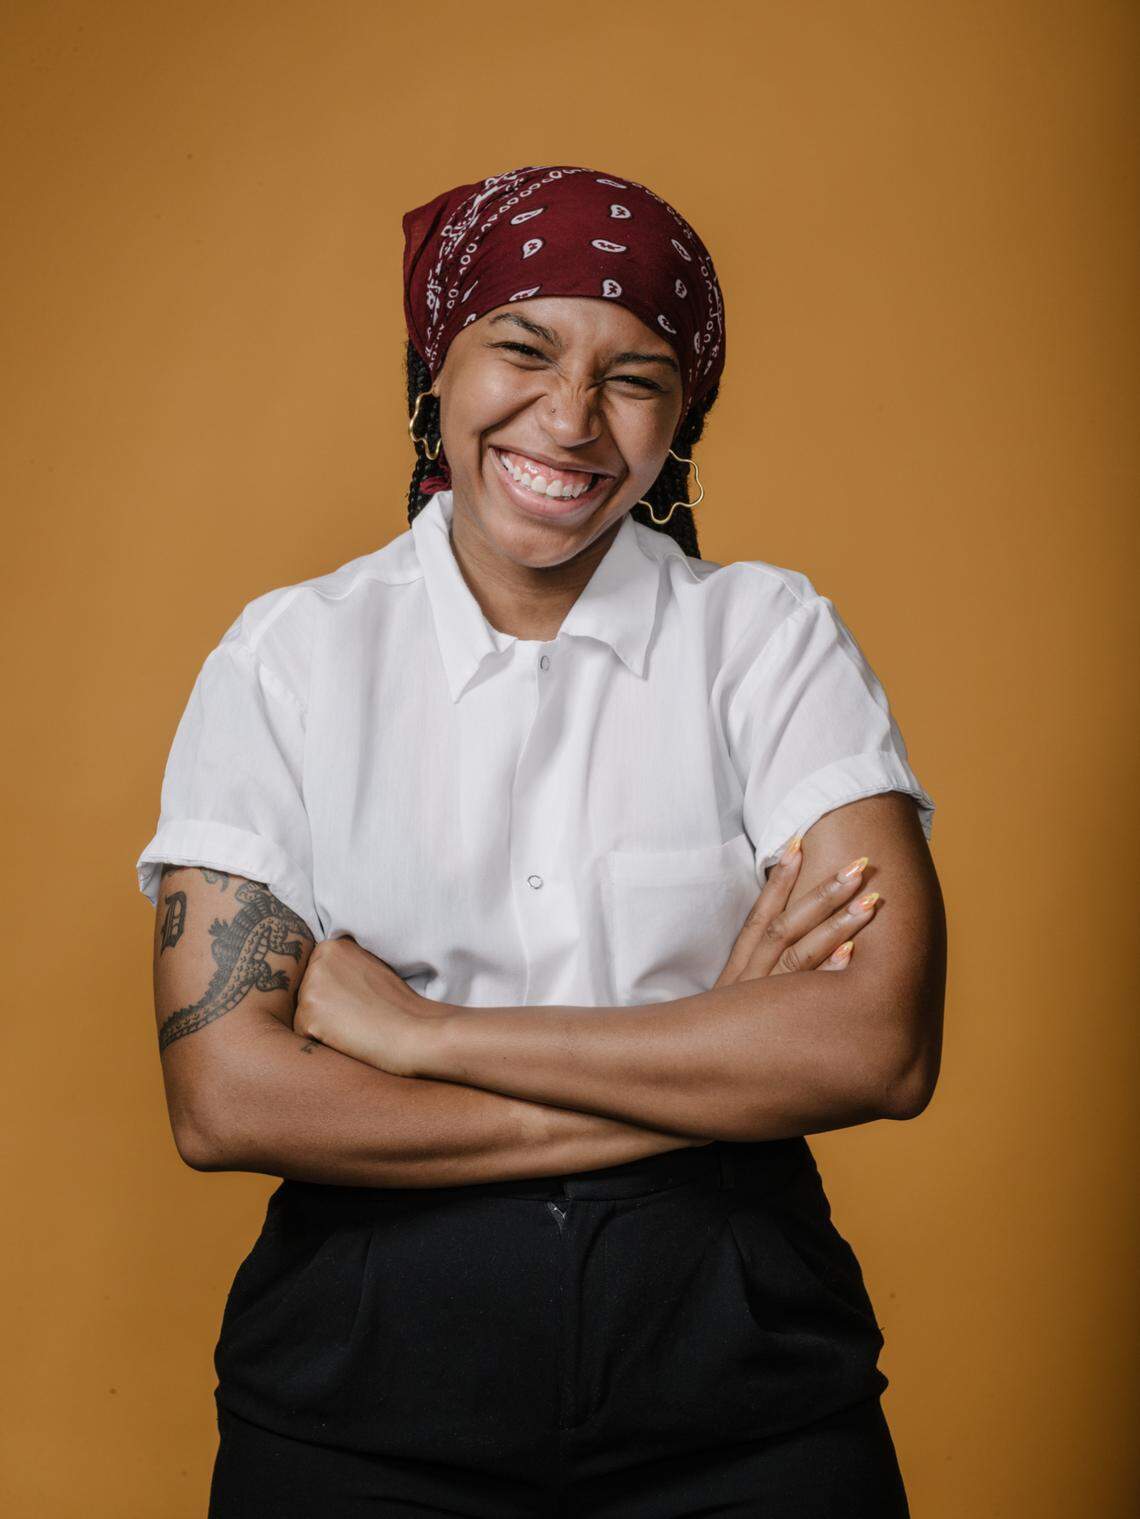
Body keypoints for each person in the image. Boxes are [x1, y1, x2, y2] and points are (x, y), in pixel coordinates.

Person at [136, 163, 945, 1517]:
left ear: (683, 415)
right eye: (522, 347)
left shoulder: (767, 640)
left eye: (636, 376)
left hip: (746, 1403)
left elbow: (878, 1046)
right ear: (435, 372)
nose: (570, 420)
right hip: (359, 1411)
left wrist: (425, 1036)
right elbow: (227, 1102)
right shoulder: (288, 661)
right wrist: (706, 1054)